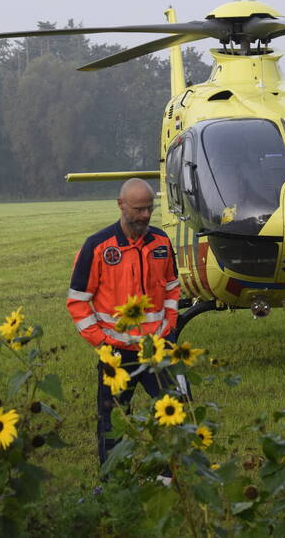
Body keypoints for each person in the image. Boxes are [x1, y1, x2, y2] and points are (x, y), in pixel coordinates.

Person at [66, 178, 181, 464]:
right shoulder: (97, 246)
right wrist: (102, 342)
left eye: (149, 209)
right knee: (112, 424)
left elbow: (172, 286)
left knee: (176, 415)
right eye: (138, 209)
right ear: (120, 205)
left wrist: (169, 327)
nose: (144, 215)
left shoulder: (162, 242)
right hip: (116, 355)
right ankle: (112, 483)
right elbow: (78, 301)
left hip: (158, 349)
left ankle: (171, 478)